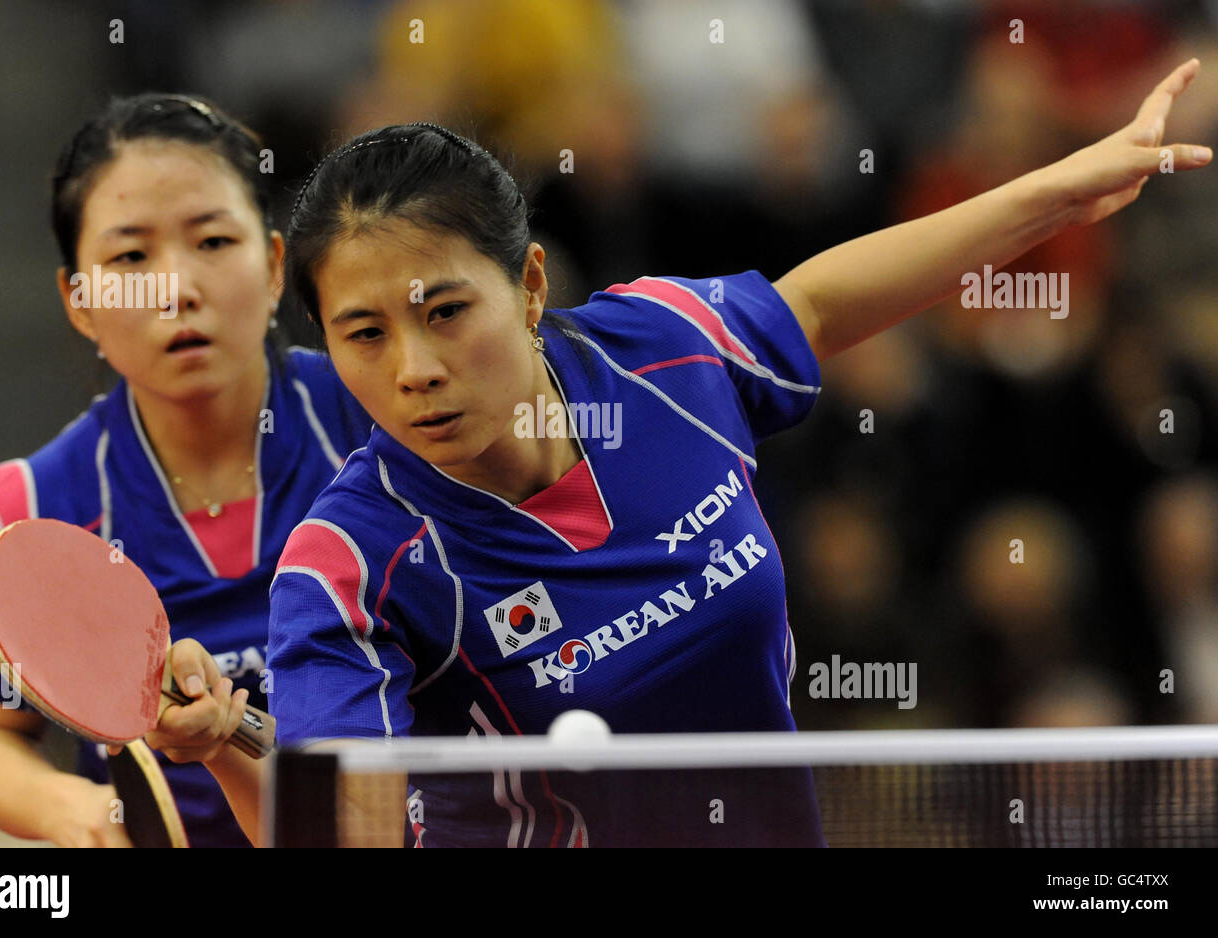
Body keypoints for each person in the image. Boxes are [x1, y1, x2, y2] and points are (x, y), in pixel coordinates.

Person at [149, 60, 1211, 846]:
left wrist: (1056, 193)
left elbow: (821, 299)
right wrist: (255, 762)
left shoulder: (659, 351)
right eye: (363, 333)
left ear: (527, 287)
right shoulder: (349, 567)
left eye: (444, 309)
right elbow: (354, 820)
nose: (413, 367)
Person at [0, 94, 373, 847]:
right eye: (130, 256)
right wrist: (74, 809)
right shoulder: (39, 504)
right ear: (78, 300)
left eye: (212, 240)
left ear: (275, 266)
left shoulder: (379, 418)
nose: (176, 288)